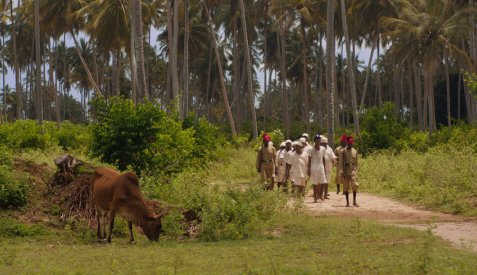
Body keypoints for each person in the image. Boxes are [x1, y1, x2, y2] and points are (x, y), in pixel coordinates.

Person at [308, 135, 327, 203]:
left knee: (323, 181)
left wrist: (324, 168)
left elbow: (323, 158)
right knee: (314, 183)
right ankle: (315, 197)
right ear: (314, 141)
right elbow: (309, 159)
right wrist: (308, 169)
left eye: (319, 140)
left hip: (321, 167)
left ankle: (320, 194)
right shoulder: (311, 149)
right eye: (316, 140)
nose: (318, 141)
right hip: (313, 167)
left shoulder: (323, 148)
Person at [342, 136, 359, 207]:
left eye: (351, 143)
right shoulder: (344, 151)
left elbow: (356, 162)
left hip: (353, 171)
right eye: (349, 143)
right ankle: (347, 202)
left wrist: (356, 170)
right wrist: (343, 172)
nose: (350, 144)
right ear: (347, 143)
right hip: (346, 171)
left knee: (354, 185)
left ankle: (354, 202)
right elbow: (342, 162)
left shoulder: (355, 151)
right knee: (346, 187)